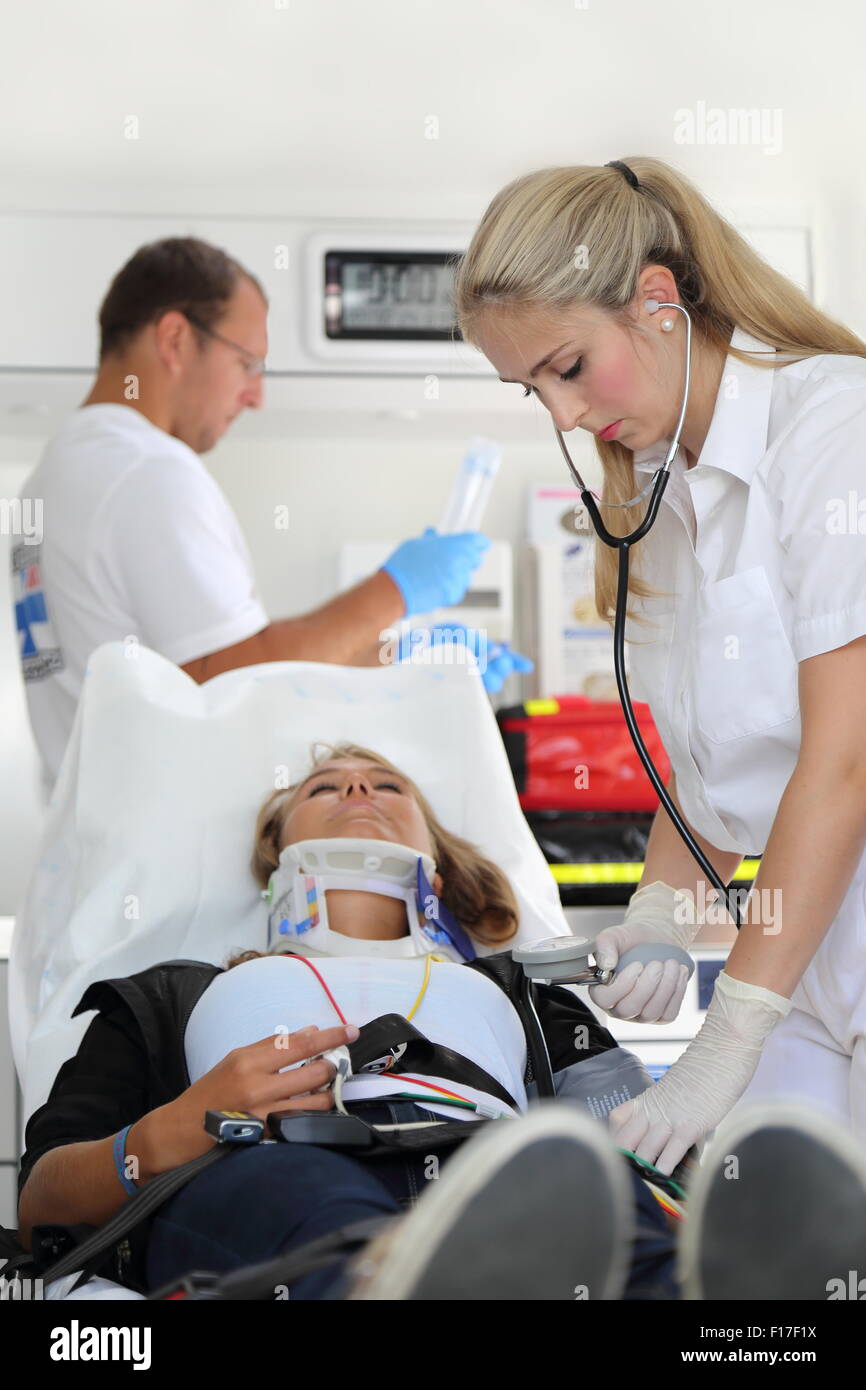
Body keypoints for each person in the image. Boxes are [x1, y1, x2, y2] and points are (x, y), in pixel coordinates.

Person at [452, 154, 866, 1174]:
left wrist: (724, 1037)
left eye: (566, 366)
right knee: (755, 1245)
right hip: (804, 946)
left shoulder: (832, 429)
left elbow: (843, 761)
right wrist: (654, 916)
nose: (557, 415)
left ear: (655, 302)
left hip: (817, 926)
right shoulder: (662, 498)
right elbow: (709, 770)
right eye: (529, 387)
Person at [15, 743, 684, 1301]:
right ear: (274, 856)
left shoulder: (524, 993)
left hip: (490, 1173)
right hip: (275, 1168)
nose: (359, 784)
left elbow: (642, 1148)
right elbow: (42, 1202)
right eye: (323, 787)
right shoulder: (171, 997)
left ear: (439, 873)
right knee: (309, 1198)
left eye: (387, 784)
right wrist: (174, 1130)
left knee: (596, 1192)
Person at [12, 236, 530, 793]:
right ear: (175, 338)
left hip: (99, 836)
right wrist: (395, 591)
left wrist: (394, 656)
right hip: (159, 848)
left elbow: (202, 664)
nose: (255, 396)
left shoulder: (58, 472)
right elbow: (239, 680)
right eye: (247, 364)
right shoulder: (144, 470)